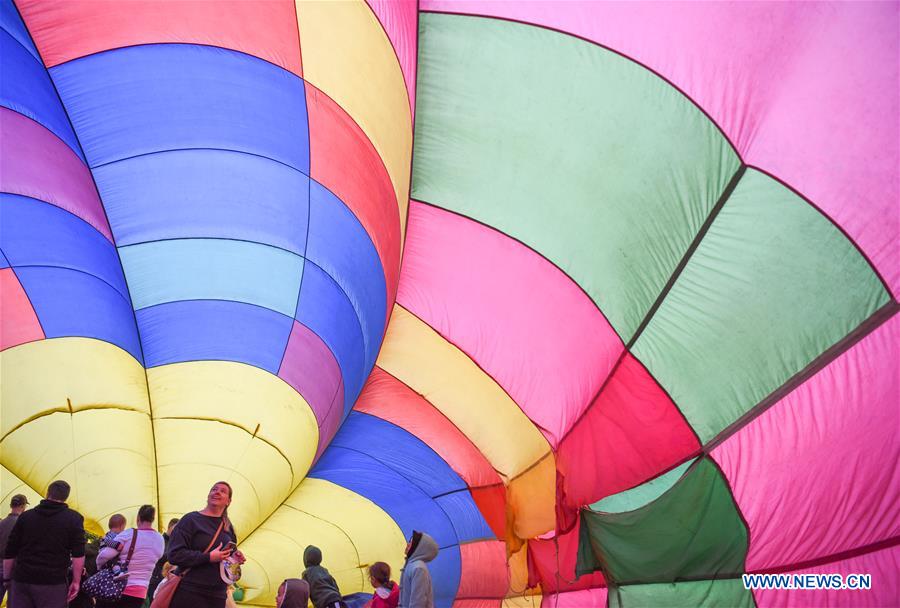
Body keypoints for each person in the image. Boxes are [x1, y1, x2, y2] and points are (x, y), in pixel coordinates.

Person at [2, 480, 85, 607]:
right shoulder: (74, 519)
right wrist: (76, 581)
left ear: (47, 493)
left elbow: (10, 551)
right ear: (66, 497)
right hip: (53, 585)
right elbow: (78, 554)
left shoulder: (26, 517)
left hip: (22, 581)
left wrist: (7, 578)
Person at [166, 481, 245, 608]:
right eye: (214, 489)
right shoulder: (190, 520)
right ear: (208, 496)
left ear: (228, 502)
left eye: (222, 491)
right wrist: (208, 557)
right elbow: (174, 555)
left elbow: (226, 561)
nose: (217, 492)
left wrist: (235, 558)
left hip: (217, 596)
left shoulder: (228, 528)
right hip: (189, 592)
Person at [96, 504, 164, 608]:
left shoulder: (128, 534)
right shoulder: (160, 539)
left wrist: (99, 566)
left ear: (138, 518)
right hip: (140, 592)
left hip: (116, 589)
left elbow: (104, 556)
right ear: (152, 519)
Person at [0, 495, 29, 603]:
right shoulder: (22, 525)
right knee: (13, 602)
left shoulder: (1, 523)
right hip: (13, 569)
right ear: (23, 506)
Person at [398, 531, 437, 608]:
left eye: (411, 543)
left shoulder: (419, 568)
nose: (407, 544)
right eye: (409, 541)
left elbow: (418, 602)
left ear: (418, 548)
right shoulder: (410, 565)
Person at [146, 517, 179, 600]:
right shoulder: (159, 540)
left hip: (169, 580)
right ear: (170, 527)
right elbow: (157, 556)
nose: (178, 532)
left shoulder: (177, 542)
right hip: (156, 580)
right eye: (177, 528)